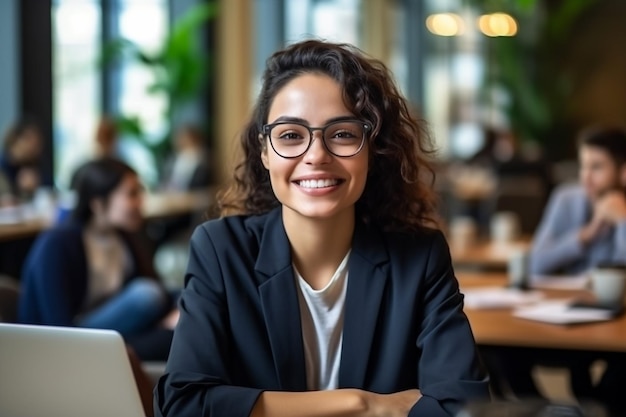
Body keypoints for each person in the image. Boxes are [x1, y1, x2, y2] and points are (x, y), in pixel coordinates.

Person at [154, 40, 489, 417]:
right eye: (291, 135)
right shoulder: (221, 249)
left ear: (371, 148)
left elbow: (463, 408)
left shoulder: (419, 256)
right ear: (265, 151)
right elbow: (184, 405)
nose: (316, 155)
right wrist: (363, 404)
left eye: (343, 133)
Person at [485, 127, 626, 415]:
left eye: (597, 167)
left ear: (623, 171)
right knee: (501, 353)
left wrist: (623, 220)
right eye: (583, 165)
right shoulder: (567, 198)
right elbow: (535, 263)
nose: (586, 177)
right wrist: (586, 234)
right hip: (561, 319)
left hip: (613, 328)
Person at [18, 157, 176, 362]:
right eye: (132, 194)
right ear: (98, 203)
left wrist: (179, 308)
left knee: (184, 324)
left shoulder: (123, 237)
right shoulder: (57, 243)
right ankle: (126, 351)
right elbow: (58, 329)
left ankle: (128, 350)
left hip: (110, 331)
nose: (141, 202)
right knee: (147, 297)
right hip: (67, 343)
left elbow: (160, 287)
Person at [0, 117, 44, 201]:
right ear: (14, 138)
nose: (32, 146)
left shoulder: (32, 166)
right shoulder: (2, 167)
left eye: (36, 143)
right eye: (28, 139)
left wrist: (29, 190)